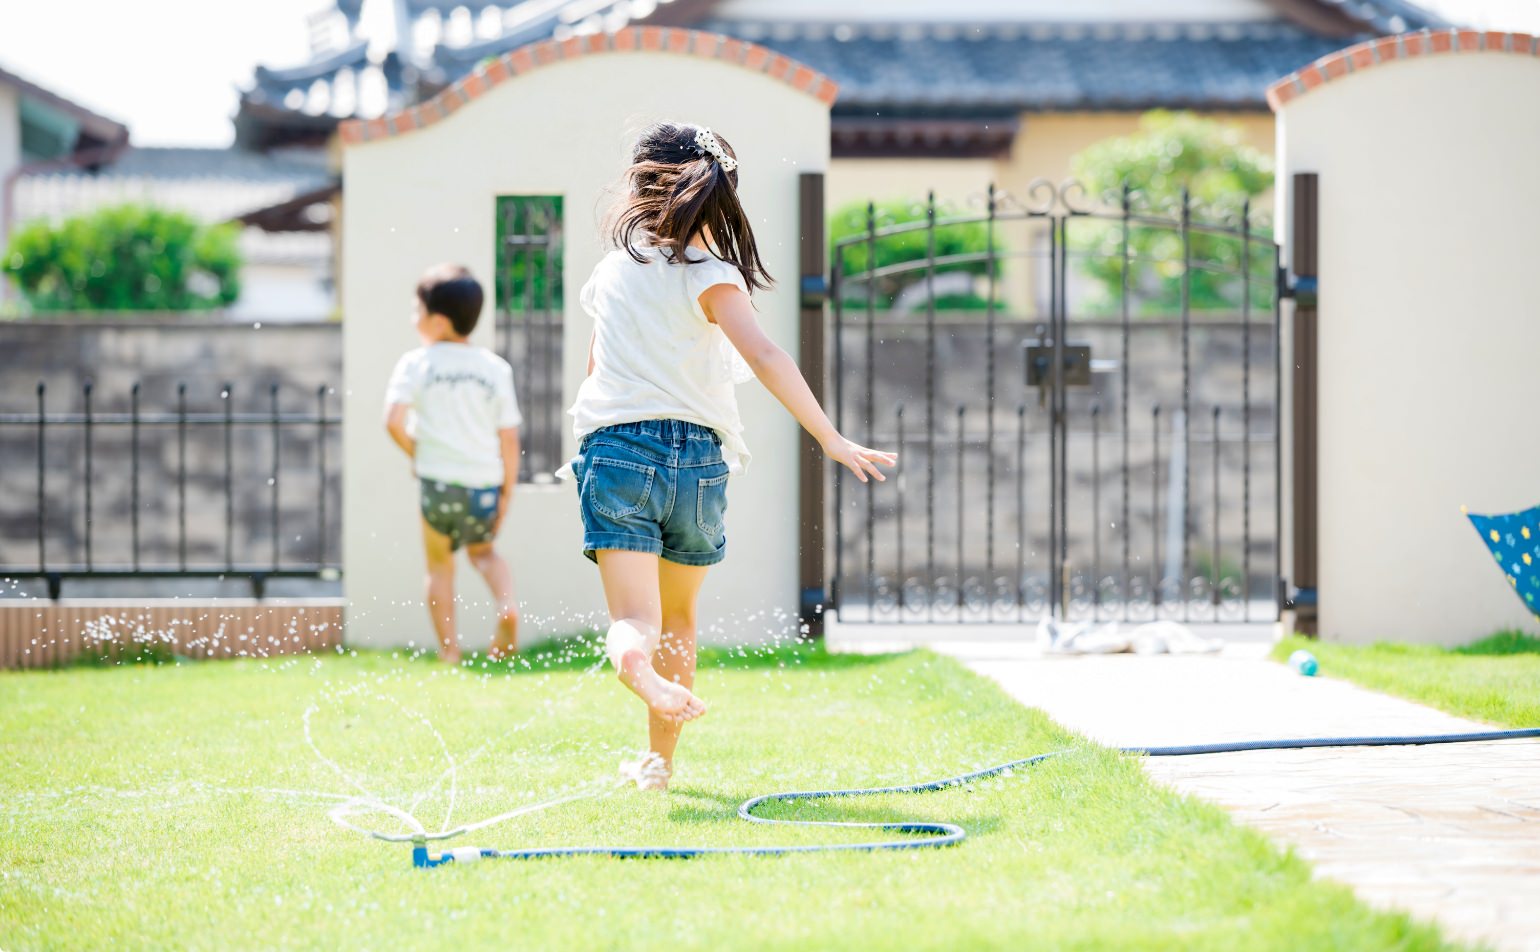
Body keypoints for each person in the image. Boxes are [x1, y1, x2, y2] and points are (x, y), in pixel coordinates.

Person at [560, 123, 896, 789]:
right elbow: (766, 355)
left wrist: (589, 446)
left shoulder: (613, 270)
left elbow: (597, 370)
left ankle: (635, 668)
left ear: (638, 187)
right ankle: (658, 763)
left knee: (635, 621)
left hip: (619, 449)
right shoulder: (713, 275)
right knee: (680, 617)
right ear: (715, 196)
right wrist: (828, 436)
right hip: (699, 463)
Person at [384, 264, 521, 664]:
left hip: (437, 483)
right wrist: (506, 493)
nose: (414, 320)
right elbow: (509, 438)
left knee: (440, 567)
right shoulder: (494, 368)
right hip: (483, 484)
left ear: (438, 321)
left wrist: (417, 453)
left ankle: (449, 651)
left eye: (416, 311)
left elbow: (392, 421)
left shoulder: (417, 363)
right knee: (484, 555)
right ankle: (507, 606)